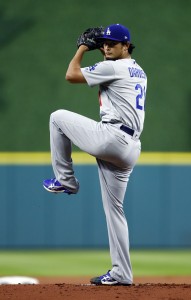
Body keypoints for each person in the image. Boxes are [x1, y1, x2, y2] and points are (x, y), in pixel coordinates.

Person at [43, 23, 147, 285]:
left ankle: (66, 180)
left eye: (113, 43)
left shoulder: (113, 66)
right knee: (115, 211)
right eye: (104, 42)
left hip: (111, 138)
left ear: (126, 46)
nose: (106, 46)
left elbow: (71, 75)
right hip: (130, 147)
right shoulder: (139, 70)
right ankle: (122, 273)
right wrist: (97, 48)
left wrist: (81, 48)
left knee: (57, 118)